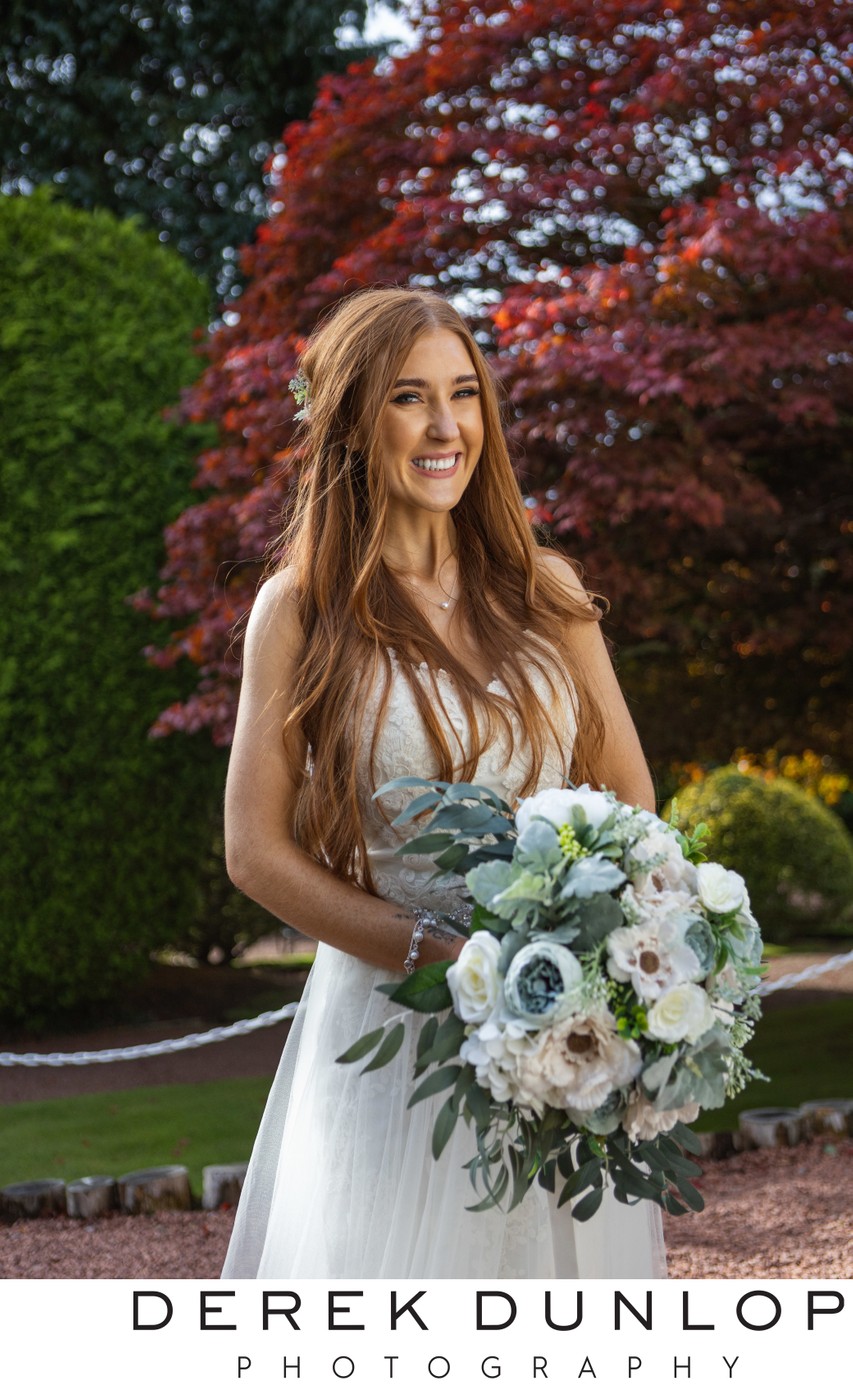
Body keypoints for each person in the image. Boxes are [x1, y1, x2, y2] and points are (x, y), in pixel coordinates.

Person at [221, 285, 666, 1278]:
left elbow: (630, 801)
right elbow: (254, 851)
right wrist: (440, 954)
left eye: (462, 395)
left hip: (561, 1022)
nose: (443, 426)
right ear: (351, 419)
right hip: (394, 1024)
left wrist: (590, 954)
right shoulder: (300, 611)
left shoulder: (548, 593)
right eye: (406, 397)